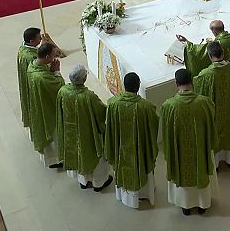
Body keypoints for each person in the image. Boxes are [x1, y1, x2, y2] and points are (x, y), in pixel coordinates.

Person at [161, 68, 217, 215]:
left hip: (180, 152)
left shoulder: (168, 106)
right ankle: (202, 204)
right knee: (200, 169)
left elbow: (166, 133)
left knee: (183, 171)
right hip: (199, 149)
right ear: (192, 82)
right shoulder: (203, 103)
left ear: (175, 83)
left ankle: (186, 206)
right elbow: (211, 121)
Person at [104, 72, 159, 209]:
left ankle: (125, 196)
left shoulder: (113, 104)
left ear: (124, 85)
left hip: (121, 149)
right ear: (138, 86)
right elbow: (154, 126)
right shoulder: (146, 107)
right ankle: (144, 194)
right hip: (141, 150)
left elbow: (109, 128)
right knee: (142, 165)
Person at [180, 4, 230, 101]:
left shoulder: (215, 44)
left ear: (214, 32)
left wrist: (186, 42)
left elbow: (197, 53)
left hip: (222, 82)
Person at [56, 65, 113, 191]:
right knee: (93, 156)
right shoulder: (88, 96)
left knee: (79, 154)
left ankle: (83, 181)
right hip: (88, 134)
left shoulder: (63, 91)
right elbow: (101, 111)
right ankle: (99, 183)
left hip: (71, 133)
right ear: (84, 79)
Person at [193, 41, 230, 168]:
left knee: (216, 134)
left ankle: (216, 164)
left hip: (215, 116)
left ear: (210, 56)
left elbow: (199, 93)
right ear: (222, 52)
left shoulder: (205, 75)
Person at [27, 43, 66, 168]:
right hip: (48, 109)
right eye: (54, 55)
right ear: (48, 56)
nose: (55, 58)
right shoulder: (43, 77)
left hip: (39, 104)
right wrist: (56, 72)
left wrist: (50, 70)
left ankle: (51, 158)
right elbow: (60, 88)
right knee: (53, 133)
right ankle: (56, 160)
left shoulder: (32, 66)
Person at [17, 27, 41, 130]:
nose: (41, 39)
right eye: (39, 38)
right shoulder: (31, 57)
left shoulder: (22, 49)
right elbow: (41, 73)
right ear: (31, 41)